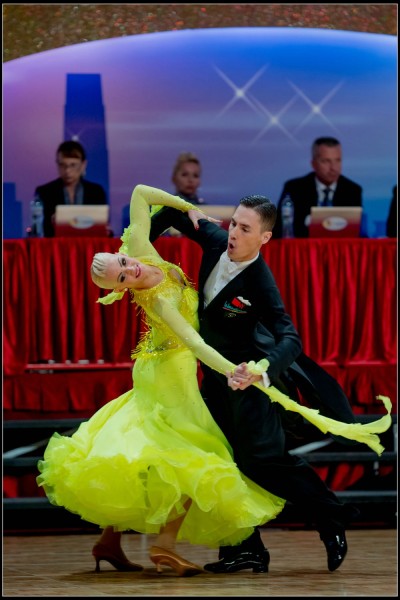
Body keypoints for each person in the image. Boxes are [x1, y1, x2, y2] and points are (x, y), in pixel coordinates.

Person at [36, 183, 290, 577]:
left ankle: (109, 542)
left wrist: (188, 208)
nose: (131, 269)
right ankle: (164, 546)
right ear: (121, 289)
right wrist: (234, 371)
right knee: (192, 456)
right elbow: (195, 343)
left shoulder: (140, 247)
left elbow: (139, 192)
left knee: (146, 448)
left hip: (155, 364)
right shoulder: (158, 298)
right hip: (172, 371)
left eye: (124, 262)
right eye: (124, 277)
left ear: (123, 251)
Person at [149, 191, 391, 574]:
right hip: (213, 379)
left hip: (249, 384)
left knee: (263, 462)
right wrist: (145, 243)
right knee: (222, 461)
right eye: (233, 223)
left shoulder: (261, 282)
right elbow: (171, 213)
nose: (234, 233)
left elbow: (290, 339)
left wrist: (261, 370)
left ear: (264, 237)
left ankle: (331, 516)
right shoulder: (216, 240)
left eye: (245, 229)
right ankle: (245, 550)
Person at [274, 137, 363, 238]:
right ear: (313, 164)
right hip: (304, 247)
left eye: (338, 160)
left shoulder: (352, 190)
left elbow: (355, 234)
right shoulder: (294, 188)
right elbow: (279, 230)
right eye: (326, 161)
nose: (333, 168)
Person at [34, 140, 107, 237]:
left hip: (89, 244)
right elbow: (40, 229)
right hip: (56, 245)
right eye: (62, 165)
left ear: (83, 165)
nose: (67, 170)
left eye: (73, 165)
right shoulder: (45, 192)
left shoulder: (96, 192)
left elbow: (103, 228)